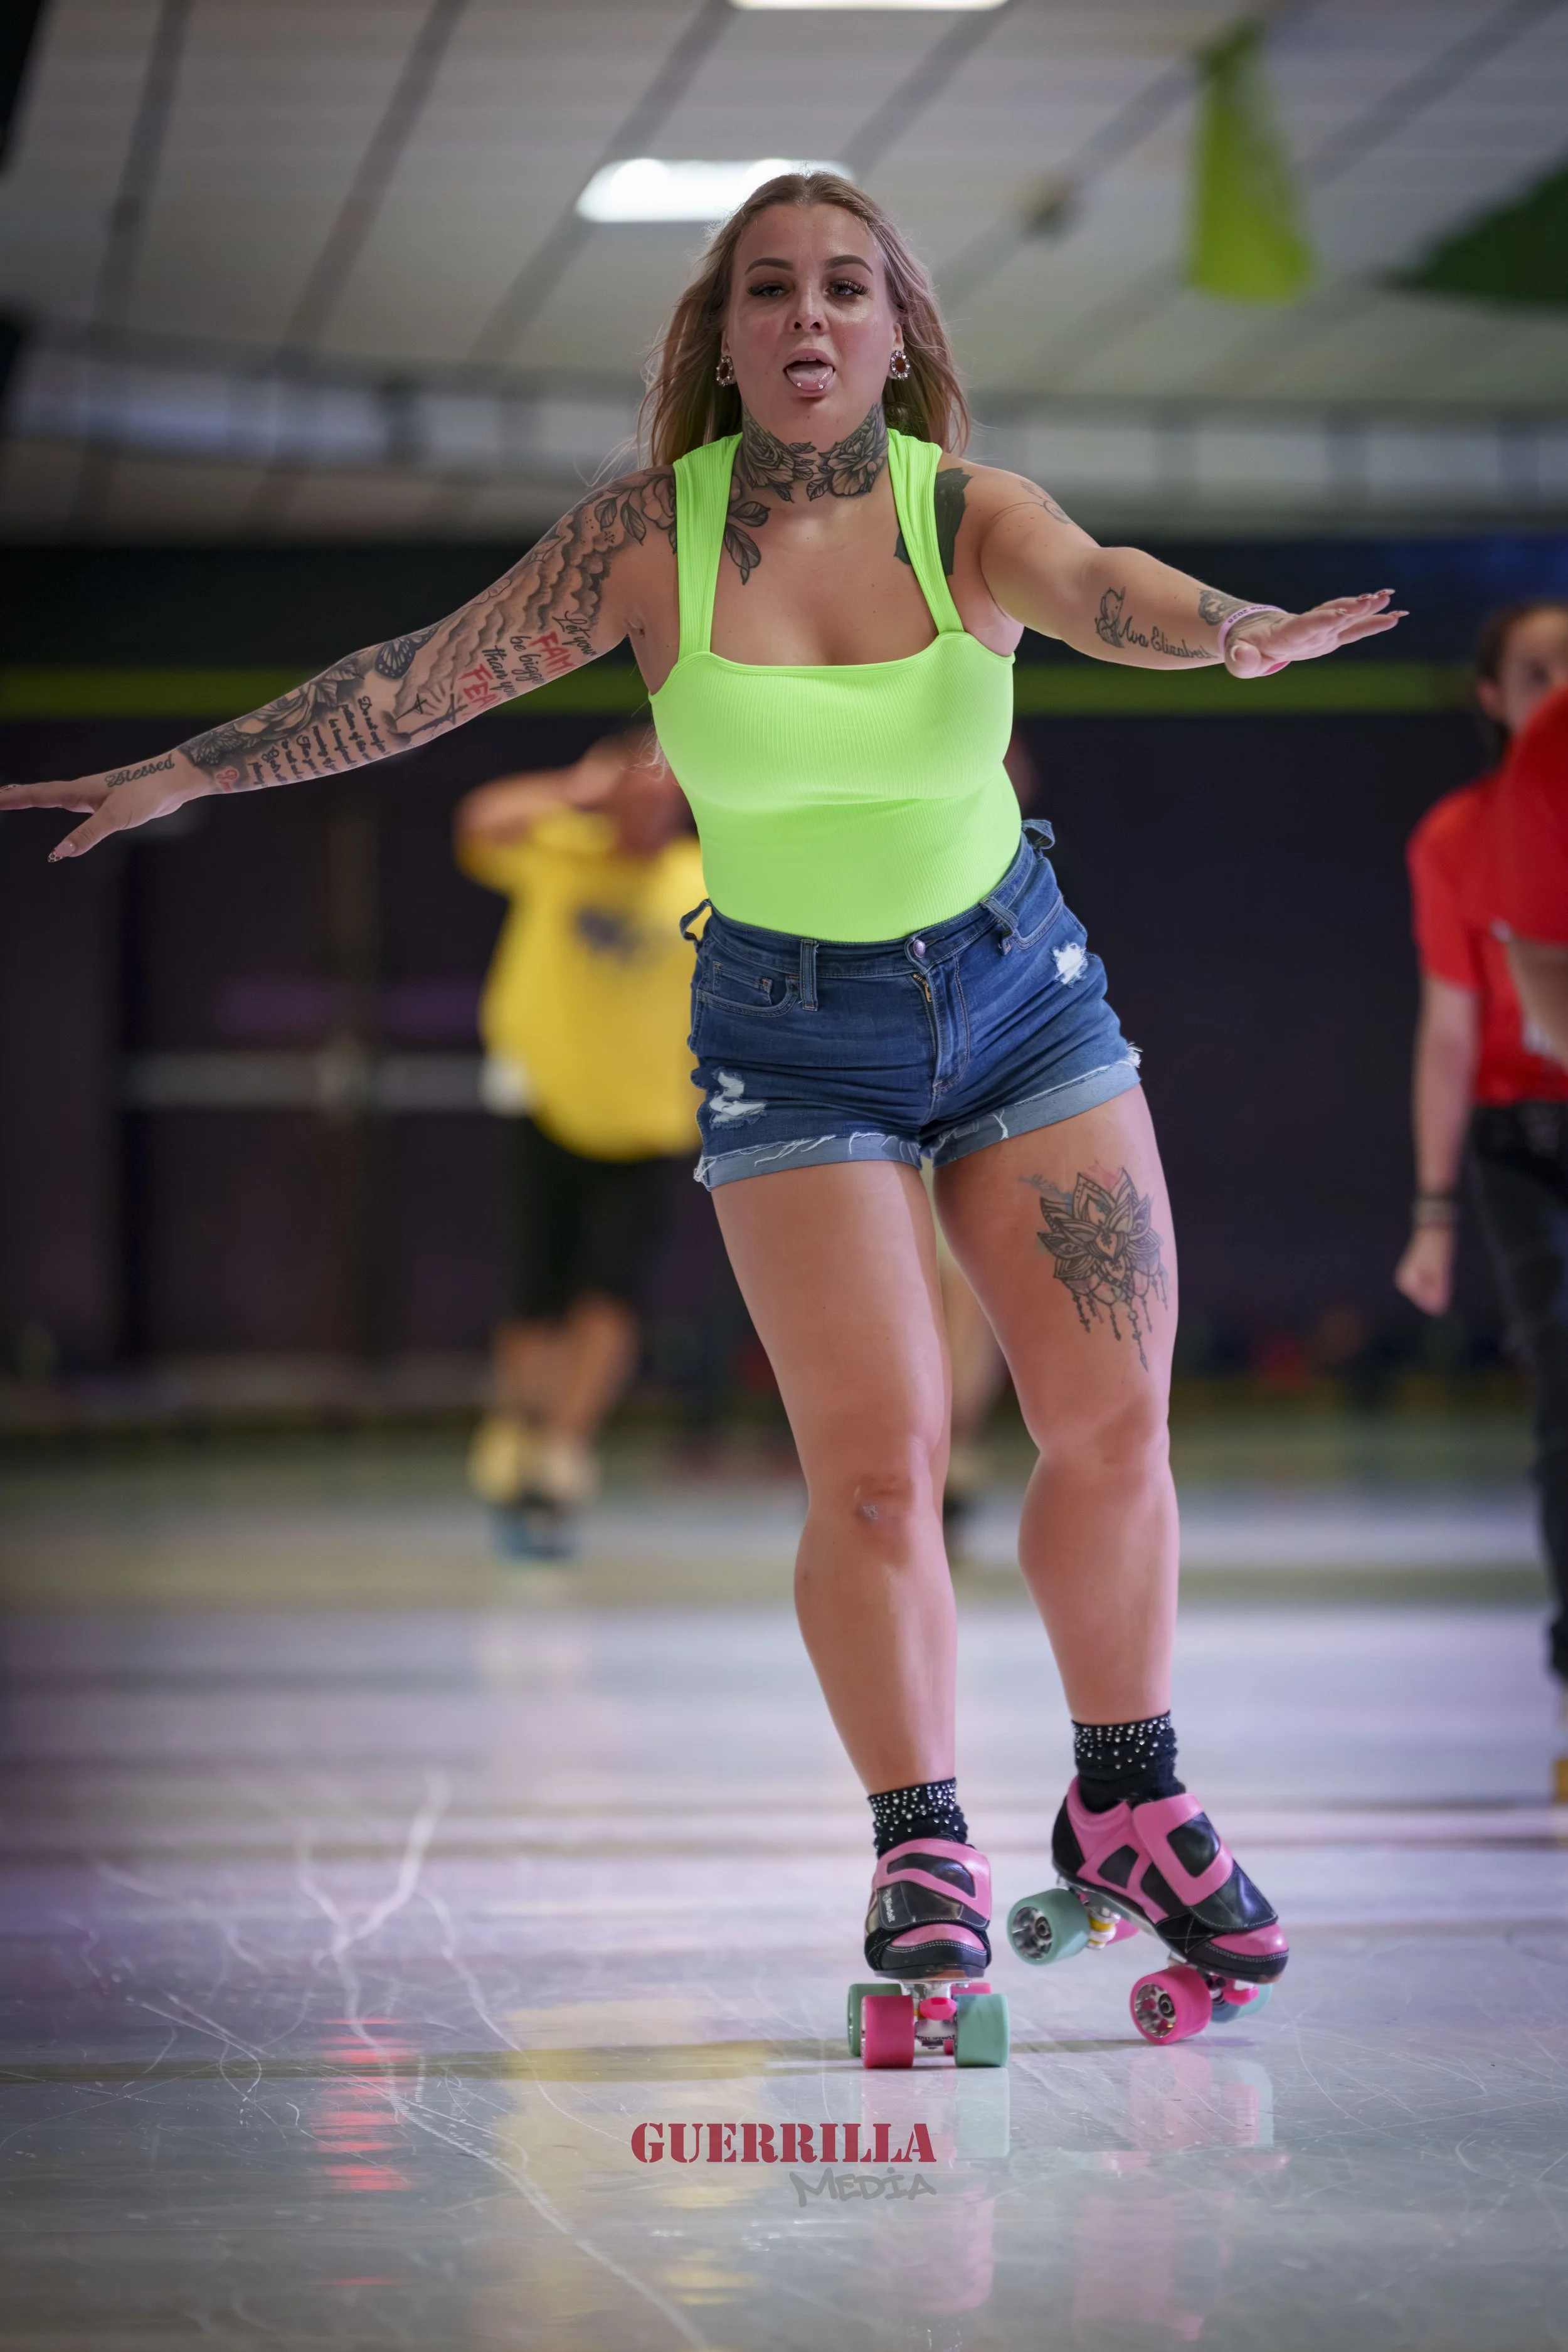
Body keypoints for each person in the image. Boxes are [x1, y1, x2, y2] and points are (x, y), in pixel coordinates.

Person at [4, 171, 1401, 2018]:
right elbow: (421, 678)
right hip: (787, 1027)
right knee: (882, 1471)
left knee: (1111, 1426)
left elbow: (1102, 589)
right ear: (724, 338)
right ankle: (921, 1836)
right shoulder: (639, 542)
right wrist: (192, 769)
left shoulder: (967, 513)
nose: (807, 318)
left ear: (897, 330)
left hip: (1021, 999)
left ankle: (1128, 1793)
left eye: (843, 288)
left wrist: (1225, 625)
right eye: (768, 292)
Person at [454, 725, 703, 1555]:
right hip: (547, 1106)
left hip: (641, 1125)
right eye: (634, 790)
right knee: (535, 1294)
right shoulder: (559, 850)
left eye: (662, 792)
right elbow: (480, 822)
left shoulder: (701, 879)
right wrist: (576, 786)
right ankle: (521, 1426)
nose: (648, 804)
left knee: (610, 1295)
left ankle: (561, 1453)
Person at [1396, 605, 1568, 1798]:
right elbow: (1454, 1031)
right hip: (1521, 1139)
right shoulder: (1458, 838)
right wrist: (1435, 1207)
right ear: (1495, 696)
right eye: (1538, 671)